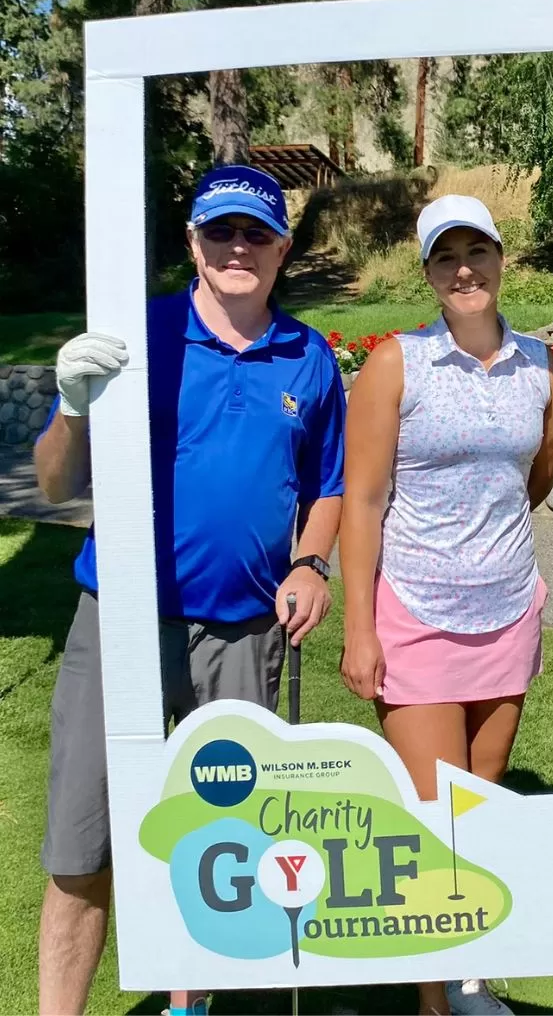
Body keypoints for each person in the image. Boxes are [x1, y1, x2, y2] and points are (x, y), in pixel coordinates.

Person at [36, 165, 345, 1016]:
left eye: (255, 234)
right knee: (80, 842)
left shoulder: (309, 356)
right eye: (220, 232)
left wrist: (311, 563)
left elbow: (329, 486)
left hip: (245, 631)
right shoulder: (139, 338)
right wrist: (71, 408)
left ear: (283, 248)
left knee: (225, 840)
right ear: (193, 244)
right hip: (121, 622)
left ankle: (189, 1004)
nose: (237, 248)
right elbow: (57, 485)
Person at [338, 194, 553, 1016]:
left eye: (479, 252)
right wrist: (359, 629)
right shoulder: (395, 362)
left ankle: (470, 972)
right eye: (446, 257)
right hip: (414, 610)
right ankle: (435, 999)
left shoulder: (543, 366)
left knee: (484, 796)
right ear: (429, 272)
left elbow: (535, 479)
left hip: (507, 607)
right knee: (431, 812)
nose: (465, 269)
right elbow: (362, 501)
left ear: (504, 261)